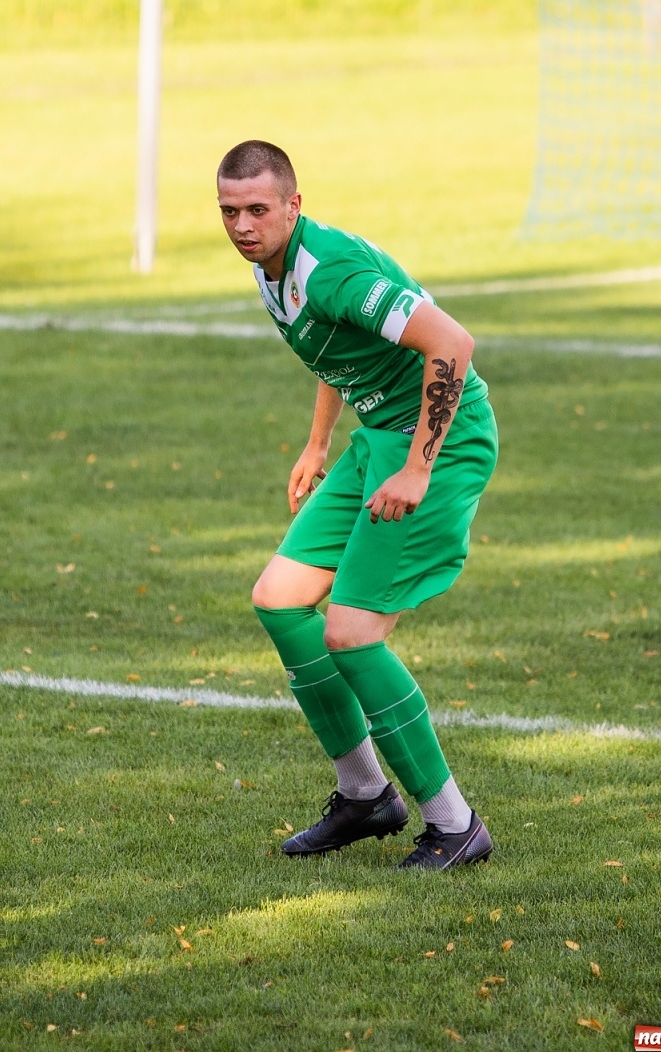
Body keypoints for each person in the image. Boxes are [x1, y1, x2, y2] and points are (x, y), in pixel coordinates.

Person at [216, 140, 496, 870]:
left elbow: (452, 345)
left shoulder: (329, 269)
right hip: (380, 437)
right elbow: (339, 353)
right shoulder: (270, 270)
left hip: (439, 440)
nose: (243, 225)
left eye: (257, 209)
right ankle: (366, 796)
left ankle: (454, 823)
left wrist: (416, 469)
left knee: (351, 631)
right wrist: (317, 444)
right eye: (229, 211)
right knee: (280, 599)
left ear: (293, 206)